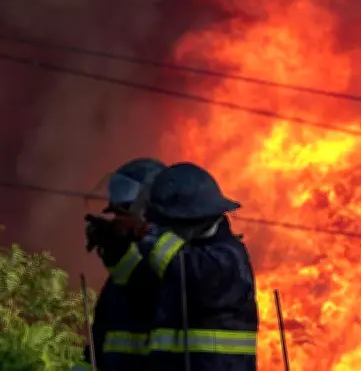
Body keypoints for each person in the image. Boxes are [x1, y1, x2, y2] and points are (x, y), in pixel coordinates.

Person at [134, 162, 258, 370]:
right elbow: (139, 289)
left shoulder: (228, 257)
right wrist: (116, 250)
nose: (166, 229)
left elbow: (189, 271)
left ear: (196, 218)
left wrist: (147, 235)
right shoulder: (177, 255)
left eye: (169, 222)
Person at [72, 158, 167, 371]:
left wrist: (120, 254)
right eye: (115, 215)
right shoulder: (117, 284)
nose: (116, 223)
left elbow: (146, 298)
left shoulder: (179, 271)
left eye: (123, 214)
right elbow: (98, 348)